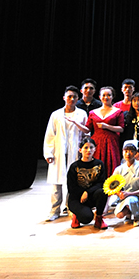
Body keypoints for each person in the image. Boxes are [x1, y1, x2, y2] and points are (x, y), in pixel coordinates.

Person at [43, 85, 89, 221]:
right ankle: (54, 210)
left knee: (73, 183)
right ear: (64, 98)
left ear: (78, 98)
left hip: (75, 152)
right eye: (69, 96)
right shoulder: (56, 114)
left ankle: (70, 207)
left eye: (74, 97)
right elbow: (50, 134)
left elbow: (86, 133)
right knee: (56, 184)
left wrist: (84, 151)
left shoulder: (82, 114)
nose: (72, 99)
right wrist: (49, 153)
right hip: (59, 153)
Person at [67, 137, 108, 229]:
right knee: (86, 218)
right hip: (77, 198)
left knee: (103, 192)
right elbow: (71, 187)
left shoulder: (99, 164)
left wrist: (87, 192)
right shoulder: (74, 166)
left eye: (91, 147)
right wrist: (82, 193)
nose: (89, 150)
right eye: (86, 147)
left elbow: (101, 183)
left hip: (91, 195)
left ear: (95, 149)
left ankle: (99, 218)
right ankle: (76, 214)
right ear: (80, 150)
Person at [108, 140, 139, 226]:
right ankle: (128, 214)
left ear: (136, 153)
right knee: (119, 214)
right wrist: (119, 193)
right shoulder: (119, 169)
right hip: (125, 197)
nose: (128, 154)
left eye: (131, 151)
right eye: (126, 151)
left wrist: (129, 194)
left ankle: (137, 217)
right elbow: (112, 186)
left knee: (131, 199)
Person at [86, 86, 125, 177]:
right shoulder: (93, 112)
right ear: (100, 97)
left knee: (110, 164)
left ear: (112, 97)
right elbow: (87, 128)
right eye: (103, 95)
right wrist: (75, 122)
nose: (106, 97)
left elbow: (121, 128)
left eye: (109, 95)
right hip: (97, 142)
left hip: (111, 142)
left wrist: (107, 126)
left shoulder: (118, 112)